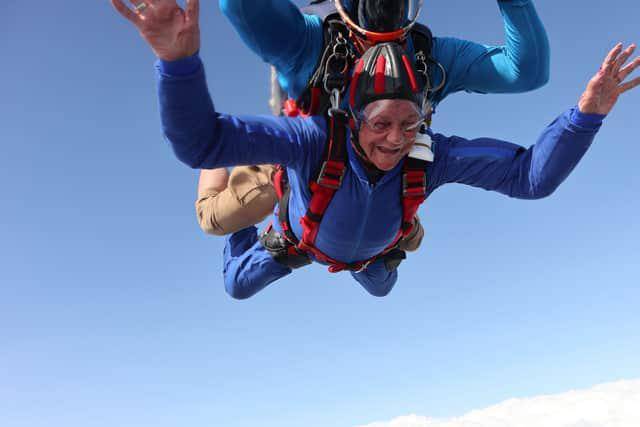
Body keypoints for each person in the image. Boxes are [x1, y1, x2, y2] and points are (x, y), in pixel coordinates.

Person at [111, 0, 640, 299]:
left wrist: (587, 113)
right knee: (224, 248)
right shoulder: (314, 87)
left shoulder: (428, 117)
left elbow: (530, 172)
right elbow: (200, 134)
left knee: (385, 278)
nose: (394, 137)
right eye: (382, 123)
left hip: (370, 232)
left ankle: (379, 241)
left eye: (409, 122)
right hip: (298, 191)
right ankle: (237, 186)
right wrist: (176, 61)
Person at [196, 0, 552, 247]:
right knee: (215, 217)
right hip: (298, 168)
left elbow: (526, 72)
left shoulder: (429, 56)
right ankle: (231, 150)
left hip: (381, 181)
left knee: (404, 243)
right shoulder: (312, 43)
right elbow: (239, 7)